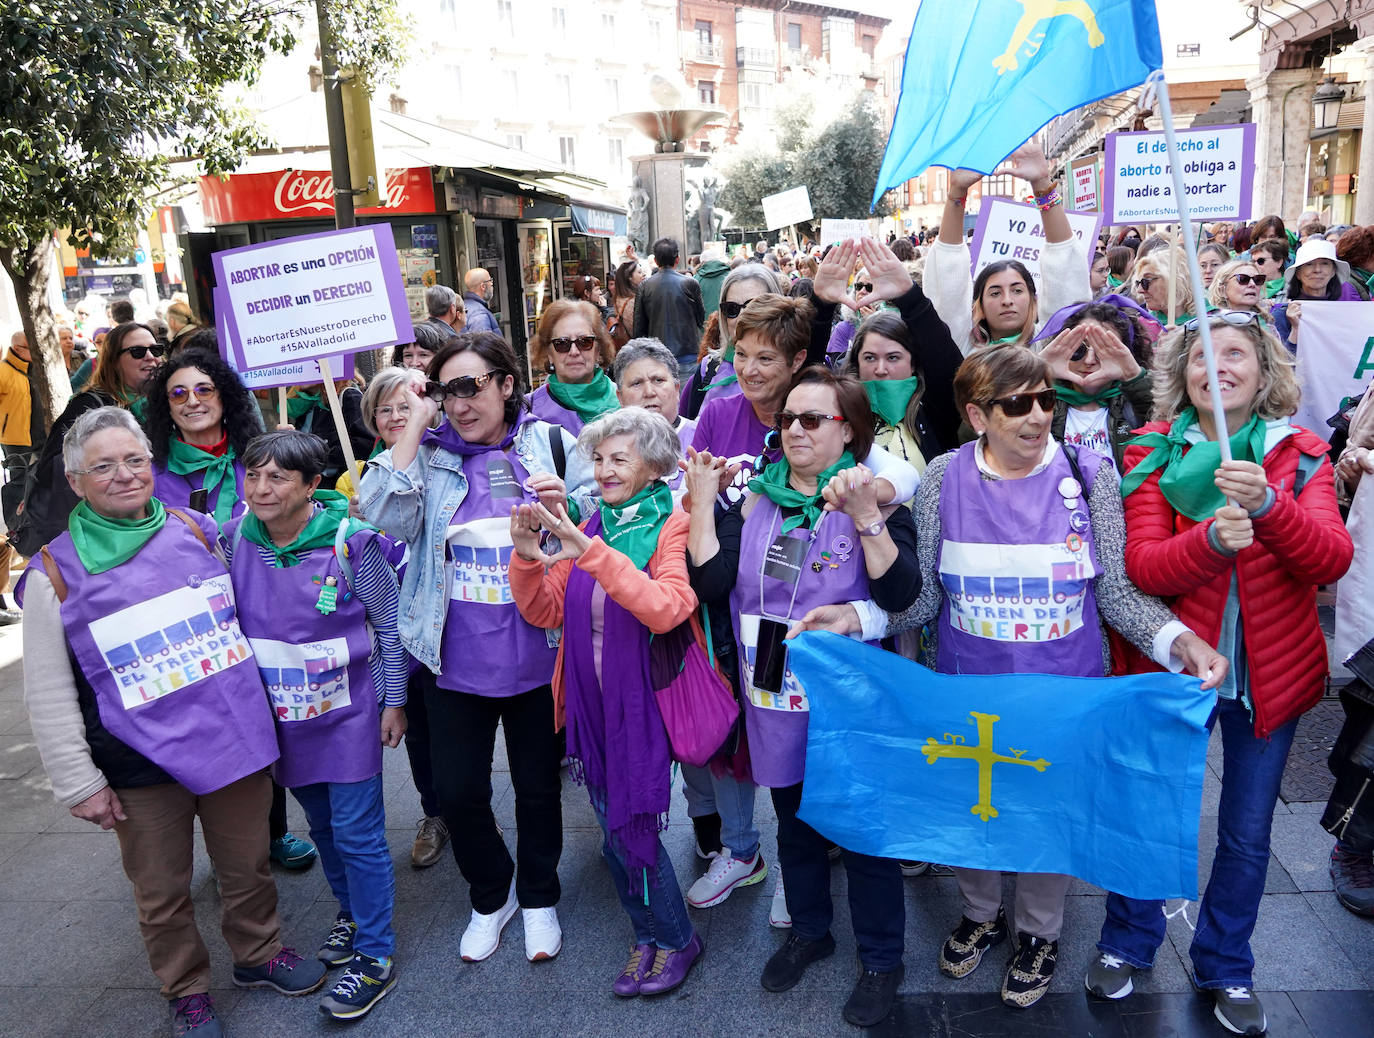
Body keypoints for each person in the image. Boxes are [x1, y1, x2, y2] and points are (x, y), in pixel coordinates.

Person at [872, 345, 1224, 1011]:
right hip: (969, 687)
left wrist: (1183, 644)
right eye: (1017, 405)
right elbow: (921, 605)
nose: (1037, 416)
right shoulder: (943, 477)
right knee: (974, 806)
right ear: (978, 415)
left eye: (1046, 401)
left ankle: (1039, 933)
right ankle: (980, 913)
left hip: (1064, 691)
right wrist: (859, 602)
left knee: (1048, 811)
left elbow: (1117, 595)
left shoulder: (1089, 476)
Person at [18, 407, 325, 1037]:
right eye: (103, 466)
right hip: (136, 763)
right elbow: (46, 690)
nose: (125, 475)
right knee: (161, 892)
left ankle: (258, 954)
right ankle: (185, 989)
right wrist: (80, 782)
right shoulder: (52, 574)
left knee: (247, 867)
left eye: (134, 460)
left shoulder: (196, 527)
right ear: (76, 482)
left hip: (232, 742)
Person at [1089, 311, 1352, 1036]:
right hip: (1175, 672)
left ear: (1265, 373)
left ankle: (1226, 963)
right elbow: (1141, 568)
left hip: (1270, 681)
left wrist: (1270, 508)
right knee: (1149, 812)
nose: (1217, 367)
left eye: (1235, 353)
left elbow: (1329, 558)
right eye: (1201, 357)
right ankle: (1126, 940)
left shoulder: (1300, 456)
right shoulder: (1151, 451)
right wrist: (1209, 541)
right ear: (1185, 377)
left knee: (1245, 831)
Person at [684, 367, 922, 1028]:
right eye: (788, 418)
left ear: (847, 430)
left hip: (847, 699)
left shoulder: (871, 497)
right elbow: (711, 581)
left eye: (812, 419)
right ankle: (810, 931)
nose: (794, 429)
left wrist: (869, 523)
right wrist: (704, 502)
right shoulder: (756, 499)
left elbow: (904, 596)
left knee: (862, 831)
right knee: (792, 820)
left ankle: (881, 958)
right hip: (772, 691)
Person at [359, 332, 595, 965]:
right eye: (445, 390)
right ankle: (493, 894)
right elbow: (376, 508)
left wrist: (566, 508)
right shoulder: (430, 460)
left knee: (538, 789)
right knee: (459, 793)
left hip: (540, 655)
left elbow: (602, 521)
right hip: (451, 661)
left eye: (471, 386)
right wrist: (414, 423)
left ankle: (540, 895)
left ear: (506, 383)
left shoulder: (550, 443)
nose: (459, 403)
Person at [509, 407, 705, 996]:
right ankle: (645, 933)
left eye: (619, 458)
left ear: (654, 465)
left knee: (631, 826)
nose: (604, 470)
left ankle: (674, 938)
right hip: (589, 711)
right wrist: (524, 554)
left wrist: (586, 550)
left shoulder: (672, 523)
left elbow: (669, 606)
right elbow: (544, 610)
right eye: (598, 459)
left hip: (642, 706)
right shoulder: (594, 521)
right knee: (610, 827)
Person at [223, 430, 408, 1020]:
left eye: (278, 476)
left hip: (348, 717)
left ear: (311, 485)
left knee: (358, 833)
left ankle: (375, 955)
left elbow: (389, 626)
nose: (262, 488)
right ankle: (350, 913)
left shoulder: (353, 543)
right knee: (323, 828)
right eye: (253, 475)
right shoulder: (232, 541)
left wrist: (393, 701)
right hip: (282, 722)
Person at [334, 368, 449, 870]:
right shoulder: (363, 480)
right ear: (374, 423)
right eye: (386, 409)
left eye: (407, 405)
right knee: (420, 730)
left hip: (452, 626)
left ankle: (468, 807)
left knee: (459, 734)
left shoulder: (448, 459)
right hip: (398, 637)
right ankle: (434, 813)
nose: (398, 416)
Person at [14, 322, 166, 554]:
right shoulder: (89, 404)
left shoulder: (165, 402)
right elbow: (55, 465)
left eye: (155, 350)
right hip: (102, 534)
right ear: (114, 361)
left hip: (152, 519)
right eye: (137, 352)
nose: (150, 357)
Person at [927, 140, 1090, 353]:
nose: (1007, 301)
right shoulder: (965, 351)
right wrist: (957, 192)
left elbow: (1066, 275)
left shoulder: (1049, 348)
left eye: (1017, 290)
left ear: (1034, 300)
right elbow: (948, 279)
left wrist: (1041, 183)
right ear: (979, 307)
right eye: (995, 293)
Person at [1034, 297, 1155, 472]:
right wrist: (1036, 372)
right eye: (1079, 350)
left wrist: (1133, 375)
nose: (1089, 360)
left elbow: (1173, 420)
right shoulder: (1042, 404)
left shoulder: (1134, 405)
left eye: (1102, 350)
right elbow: (991, 428)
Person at [145, 347, 263, 524]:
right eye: (178, 394)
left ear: (224, 397)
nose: (193, 402)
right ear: (167, 407)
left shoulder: (261, 459)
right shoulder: (149, 476)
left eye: (204, 390)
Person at [679, 265, 786, 420]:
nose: (742, 317)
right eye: (732, 309)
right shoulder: (708, 369)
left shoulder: (795, 371)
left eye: (753, 306)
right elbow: (685, 429)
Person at [526, 299, 620, 434]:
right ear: (549, 354)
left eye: (584, 342)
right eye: (562, 343)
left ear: (598, 350)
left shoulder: (625, 401)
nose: (574, 352)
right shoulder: (530, 412)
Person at [612, 337, 697, 472]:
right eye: (636, 383)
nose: (649, 392)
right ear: (620, 397)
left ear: (676, 389)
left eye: (658, 380)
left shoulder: (702, 436)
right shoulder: (608, 447)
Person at [1272, 238, 1363, 352]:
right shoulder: (1282, 316)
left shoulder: (1346, 315)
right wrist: (1295, 330)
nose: (1317, 270)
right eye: (1309, 264)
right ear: (1298, 273)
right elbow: (1280, 364)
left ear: (1333, 271)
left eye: (1325, 263)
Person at [632, 237, 706, 377]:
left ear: (655, 261)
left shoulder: (645, 286)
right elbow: (701, 318)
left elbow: (638, 328)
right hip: (687, 354)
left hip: (658, 355)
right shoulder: (690, 283)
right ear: (677, 259)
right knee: (687, 398)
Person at [283, 378, 372, 489]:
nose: (304, 369)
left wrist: (316, 456)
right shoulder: (303, 406)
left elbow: (363, 445)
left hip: (341, 492)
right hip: (311, 489)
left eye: (311, 363)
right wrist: (285, 441)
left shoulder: (349, 396)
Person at [1131, 247, 1196, 327]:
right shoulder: (1143, 329)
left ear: (1174, 280)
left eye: (1146, 281)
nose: (1139, 290)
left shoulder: (1209, 324)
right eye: (1138, 283)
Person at [695, 248, 730, 320]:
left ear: (702, 263)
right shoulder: (730, 277)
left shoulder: (695, 279)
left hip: (704, 326)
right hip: (726, 324)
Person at [463, 268, 501, 334]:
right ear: (483, 286)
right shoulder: (479, 314)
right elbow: (484, 343)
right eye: (490, 281)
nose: (492, 284)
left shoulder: (466, 305)